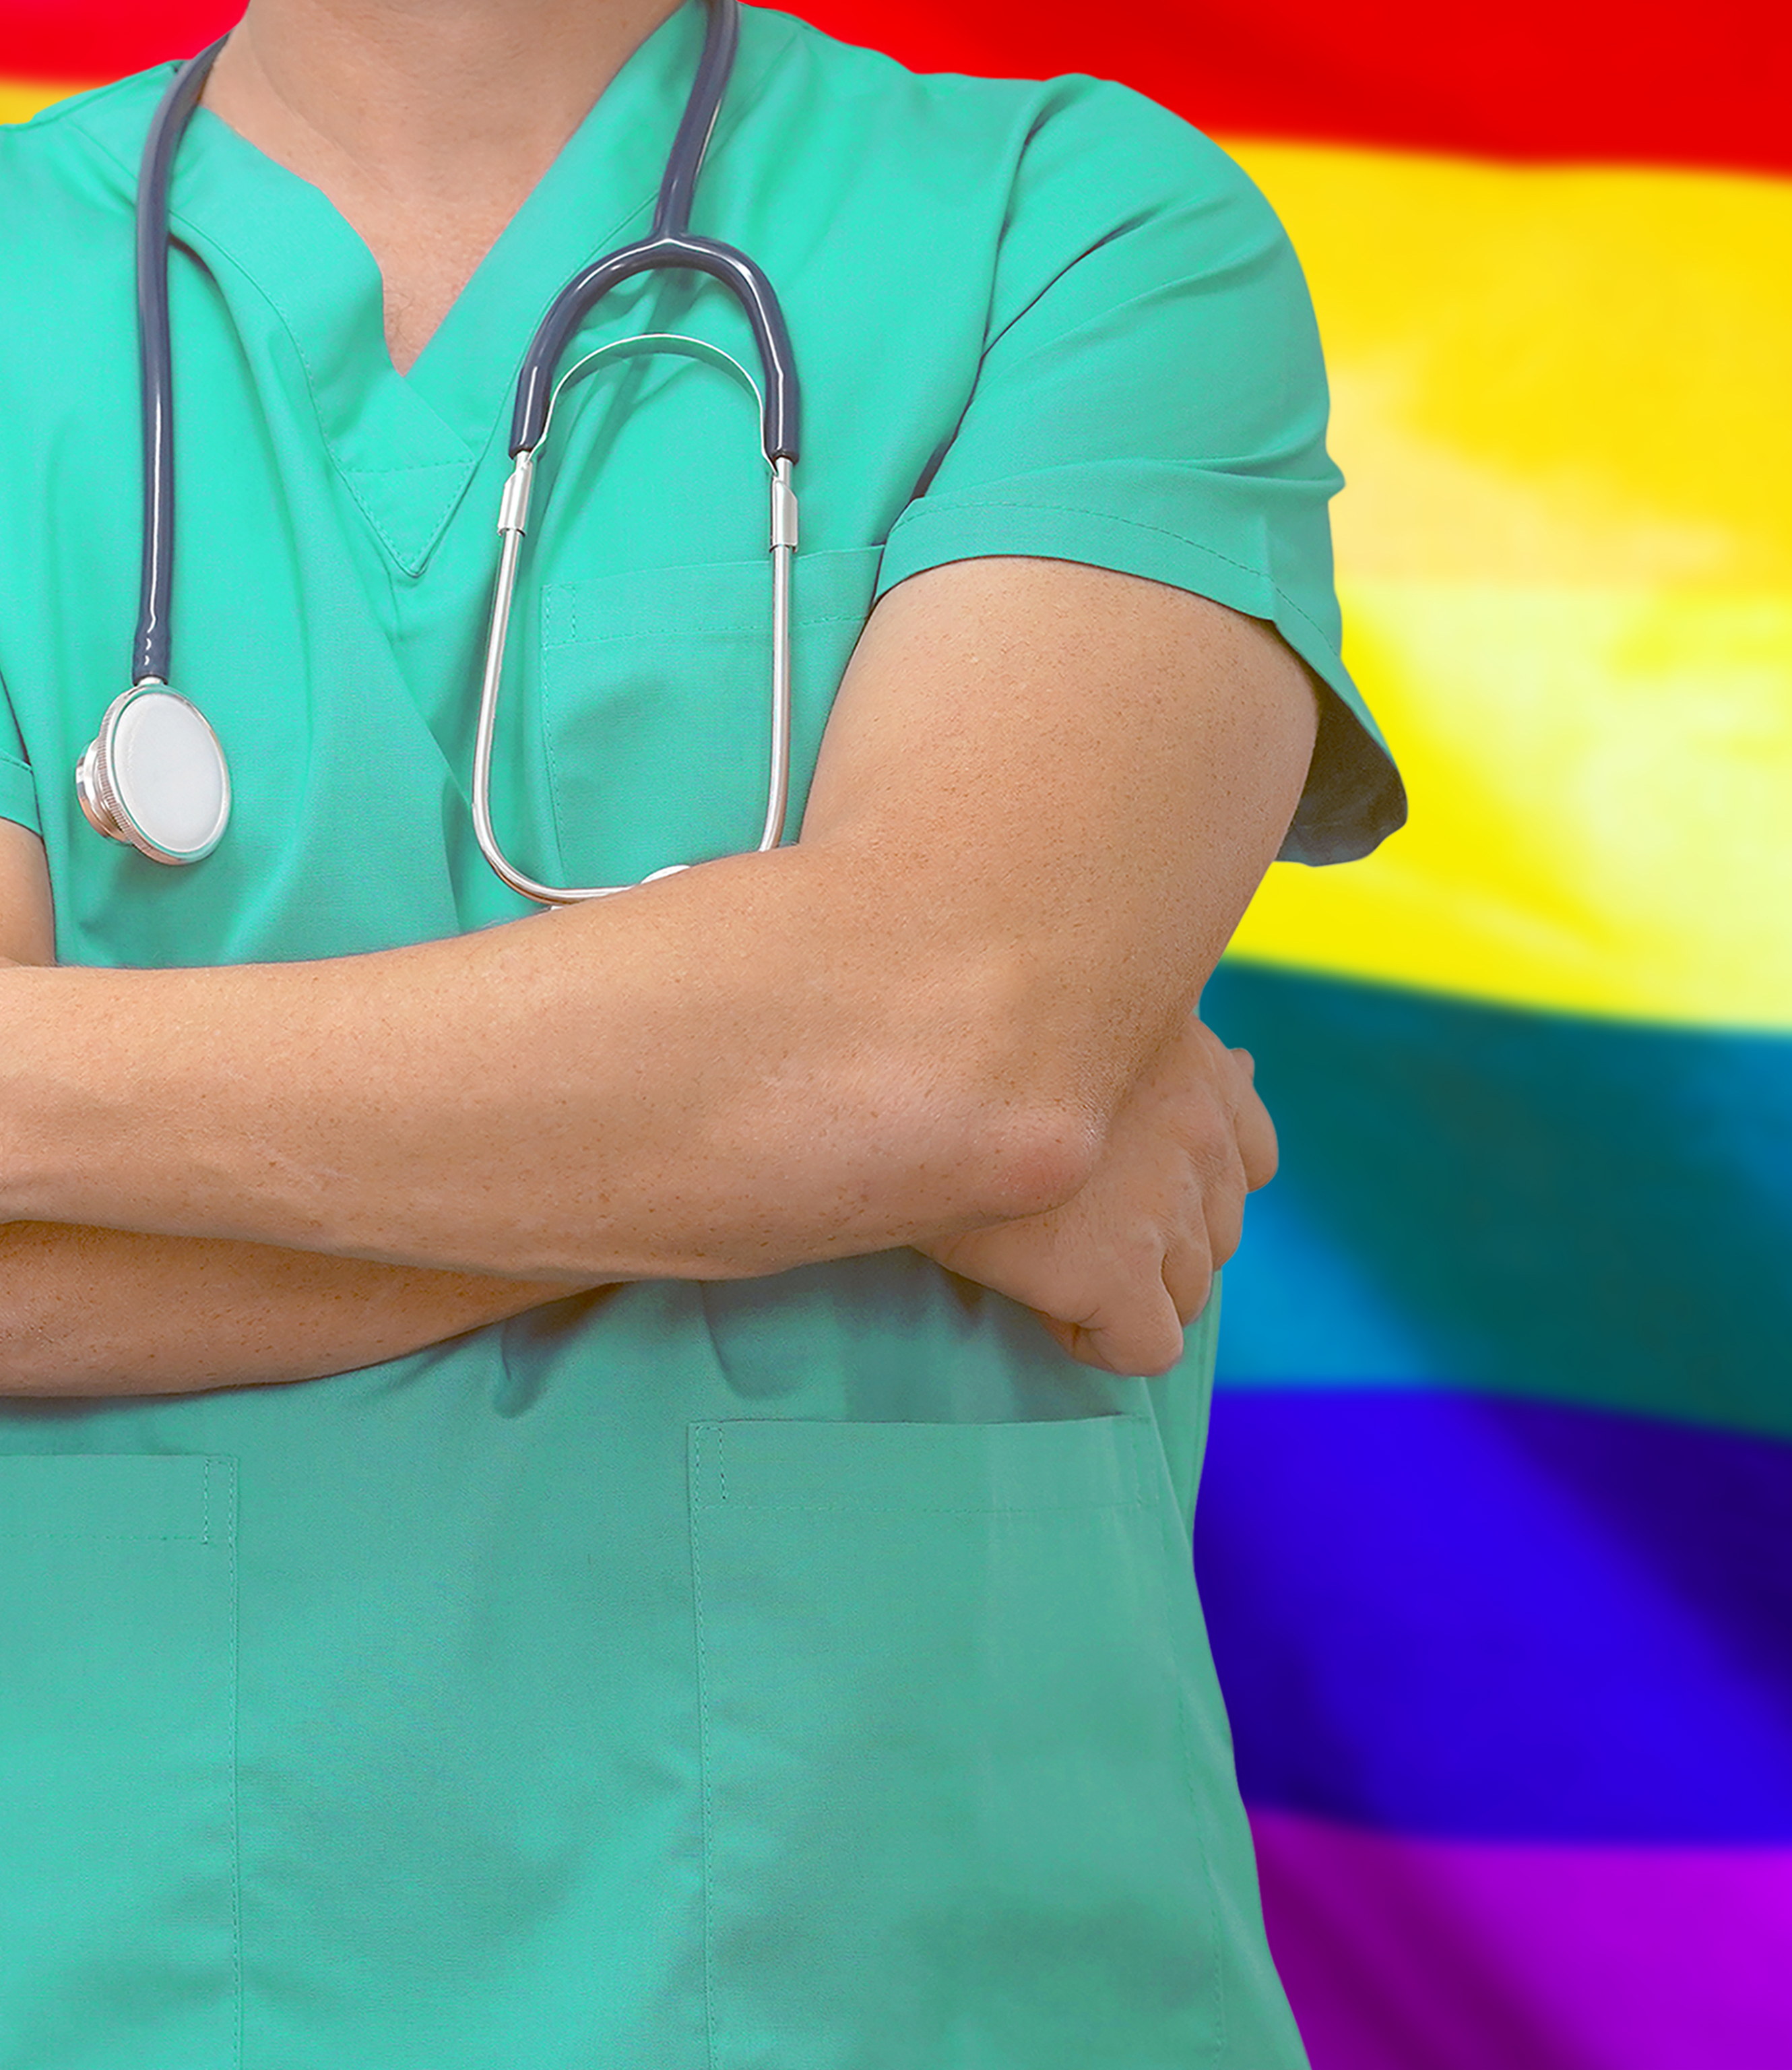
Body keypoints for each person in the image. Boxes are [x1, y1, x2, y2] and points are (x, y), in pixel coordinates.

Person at [0, 0, 1399, 2060]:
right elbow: (927, 1074)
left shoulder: (1078, 226)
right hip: (122, 1962)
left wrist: (906, 1087)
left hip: (912, 1966)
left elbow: (941, 1053)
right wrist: (807, 1104)